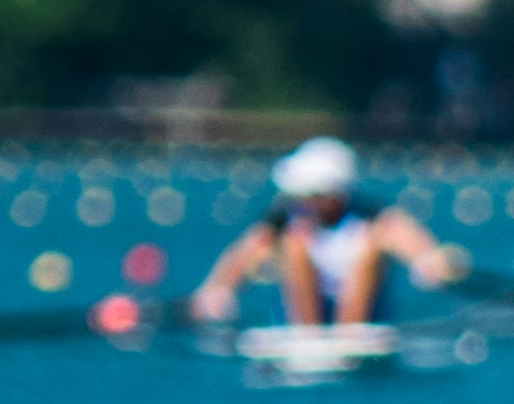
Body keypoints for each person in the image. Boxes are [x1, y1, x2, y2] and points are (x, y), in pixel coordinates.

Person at [189, 136, 469, 327]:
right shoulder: (282, 223)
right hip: (304, 320)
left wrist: (431, 262)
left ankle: (350, 333)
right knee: (294, 246)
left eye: (308, 192)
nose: (299, 198)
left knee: (370, 246)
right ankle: (308, 337)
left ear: (332, 194)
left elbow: (412, 241)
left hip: (362, 319)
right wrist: (216, 291)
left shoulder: (373, 220)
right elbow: (240, 257)